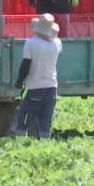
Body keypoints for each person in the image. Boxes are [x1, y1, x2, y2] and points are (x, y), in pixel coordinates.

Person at [14, 13, 62, 141]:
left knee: (23, 117)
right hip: (52, 87)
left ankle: (19, 146)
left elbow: (25, 65)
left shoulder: (30, 43)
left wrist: (19, 81)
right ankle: (45, 148)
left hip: (35, 87)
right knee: (46, 121)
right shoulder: (57, 43)